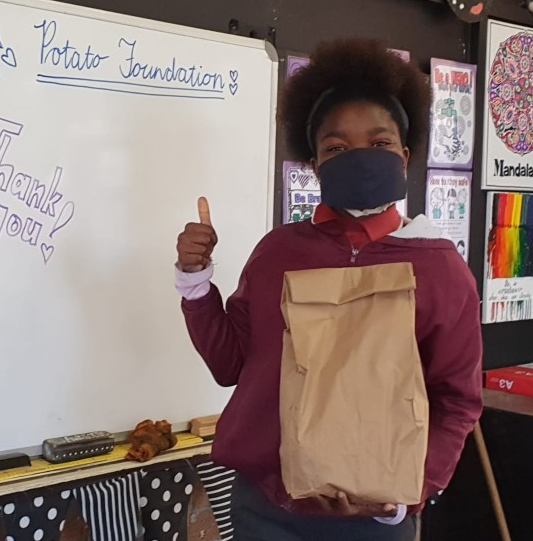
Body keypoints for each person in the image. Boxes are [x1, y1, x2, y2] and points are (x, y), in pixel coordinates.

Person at [174, 39, 483, 541]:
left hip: (376, 519)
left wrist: (407, 493)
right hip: (266, 506)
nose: (359, 156)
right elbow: (230, 364)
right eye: (336, 148)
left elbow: (456, 400)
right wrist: (195, 279)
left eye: (379, 143)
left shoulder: (439, 268)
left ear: (404, 157)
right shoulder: (279, 252)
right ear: (315, 165)